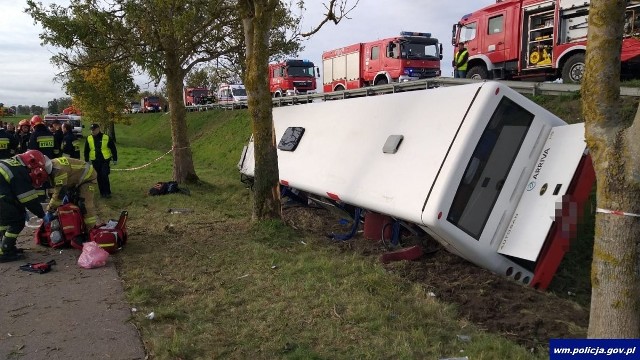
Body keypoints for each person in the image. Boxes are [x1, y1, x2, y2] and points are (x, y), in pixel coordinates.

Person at [0, 150, 49, 262]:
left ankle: (4, 246)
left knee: (3, 221)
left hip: (2, 195)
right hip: (2, 197)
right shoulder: (20, 172)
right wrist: (42, 215)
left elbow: (15, 194)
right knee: (17, 221)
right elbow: (28, 199)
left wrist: (20, 207)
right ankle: (5, 251)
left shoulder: (11, 163)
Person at [44, 156, 98, 229]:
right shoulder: (52, 167)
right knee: (72, 203)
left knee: (84, 204)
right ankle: (78, 226)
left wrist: (50, 210)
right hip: (75, 179)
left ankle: (91, 230)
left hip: (88, 177)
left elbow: (59, 194)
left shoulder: (58, 171)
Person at [84, 123, 117, 198]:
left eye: (94, 130)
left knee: (104, 175)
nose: (92, 131)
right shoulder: (89, 138)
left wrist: (115, 159)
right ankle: (102, 193)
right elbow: (86, 150)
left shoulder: (106, 137)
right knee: (98, 176)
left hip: (105, 160)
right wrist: (87, 160)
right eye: (91, 130)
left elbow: (113, 148)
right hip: (95, 161)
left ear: (98, 129)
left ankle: (107, 192)